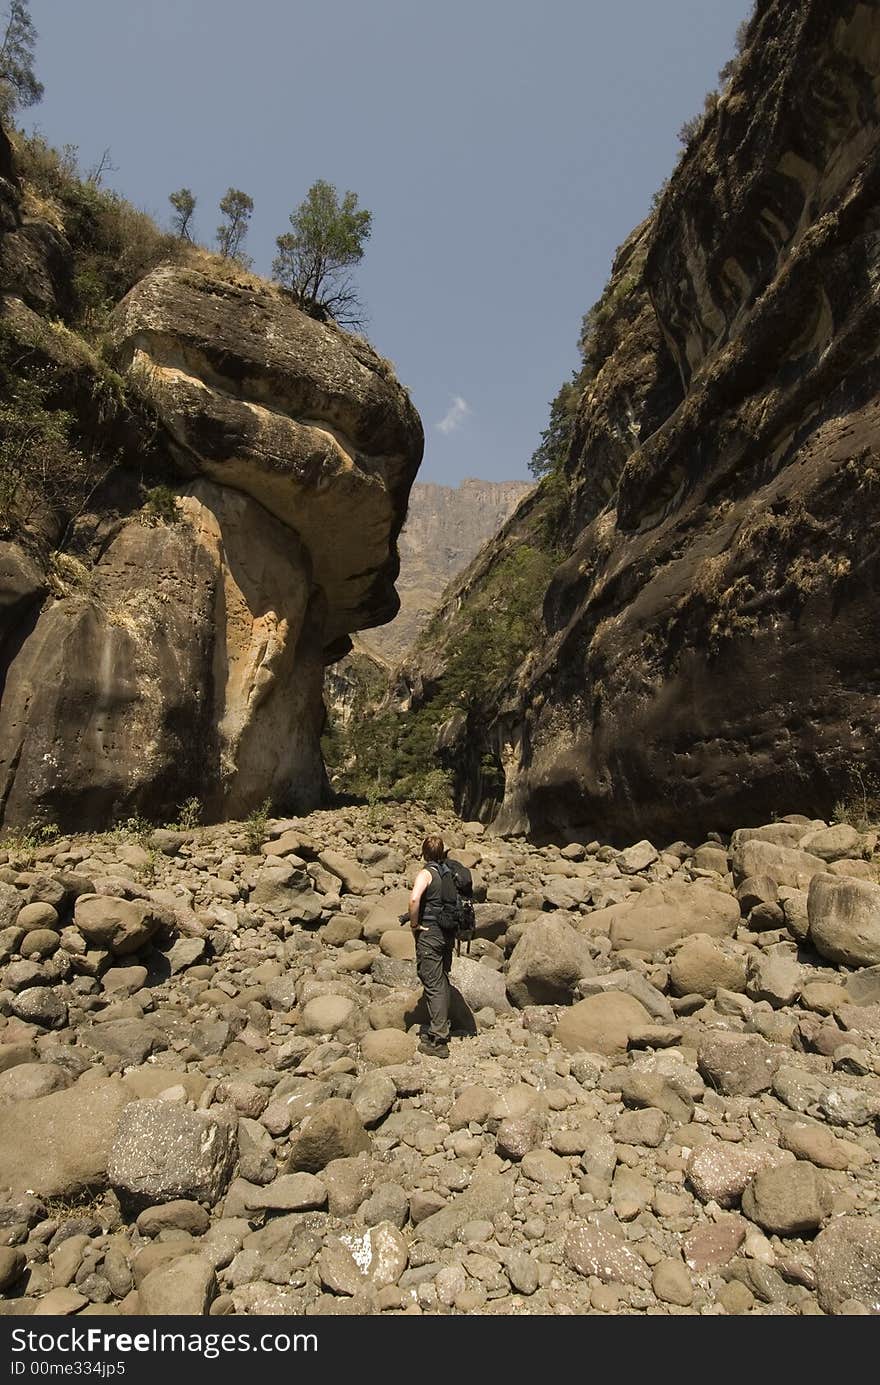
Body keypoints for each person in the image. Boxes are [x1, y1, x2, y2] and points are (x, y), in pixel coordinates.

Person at [408, 833, 455, 1059]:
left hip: (431, 933)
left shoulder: (426, 873)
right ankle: (442, 1026)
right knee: (442, 979)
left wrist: (414, 925)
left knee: (433, 983)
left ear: (425, 853)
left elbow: (415, 899)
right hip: (447, 933)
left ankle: (439, 1040)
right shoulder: (447, 873)